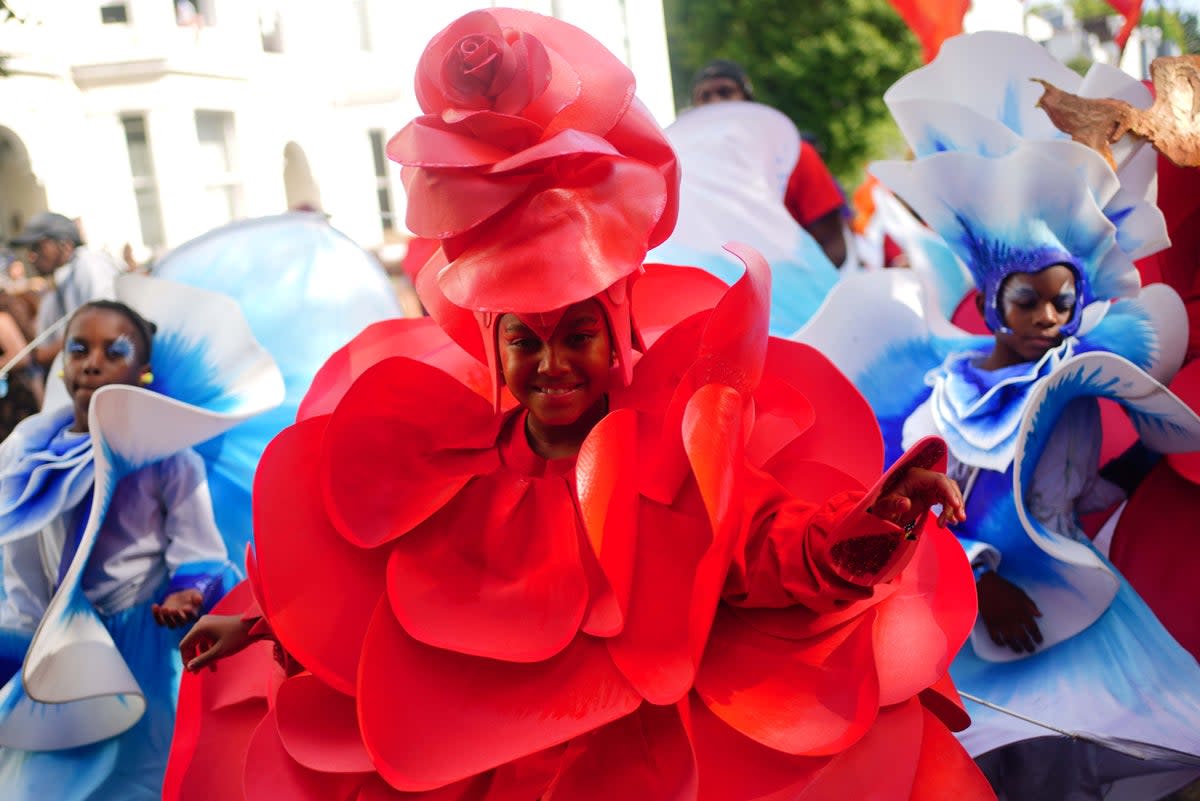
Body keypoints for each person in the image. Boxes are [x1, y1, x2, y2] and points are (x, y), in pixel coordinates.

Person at [164, 10, 994, 801]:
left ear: (619, 332)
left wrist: (864, 527)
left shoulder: (676, 439)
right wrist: (263, 625)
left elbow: (757, 544)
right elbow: (362, 588)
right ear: (494, 348)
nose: (552, 364)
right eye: (526, 339)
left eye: (579, 335)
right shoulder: (440, 465)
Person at [797, 31, 1200, 800]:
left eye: (1064, 300)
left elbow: (1110, 450)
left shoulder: (1081, 374)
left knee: (1114, 748)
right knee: (1000, 762)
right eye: (1028, 300)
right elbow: (918, 511)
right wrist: (983, 580)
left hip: (1079, 609)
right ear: (988, 303)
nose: (1049, 317)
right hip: (982, 622)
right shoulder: (939, 392)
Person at [0, 277, 285, 801]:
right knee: (50, 772)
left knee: (147, 765)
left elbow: (195, 539)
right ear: (62, 363)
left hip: (144, 637)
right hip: (57, 640)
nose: (93, 363)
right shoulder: (25, 455)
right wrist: (21, 640)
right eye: (79, 349)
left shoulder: (168, 456)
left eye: (116, 351)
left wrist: (188, 587)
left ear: (142, 369)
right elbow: (18, 553)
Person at [690, 59, 848, 267]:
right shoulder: (692, 172)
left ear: (747, 98)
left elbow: (835, 246)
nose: (716, 102)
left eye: (726, 92)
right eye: (705, 96)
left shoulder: (795, 155)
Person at [9, 212, 119, 375]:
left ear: (65, 245)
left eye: (38, 247)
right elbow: (42, 345)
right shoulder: (55, 287)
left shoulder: (89, 265)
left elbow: (107, 324)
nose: (31, 256)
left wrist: (49, 352)